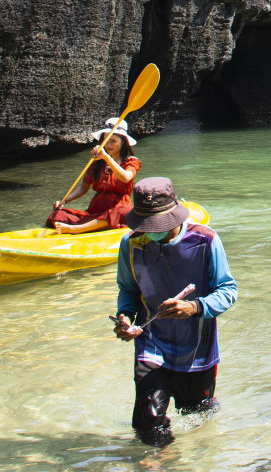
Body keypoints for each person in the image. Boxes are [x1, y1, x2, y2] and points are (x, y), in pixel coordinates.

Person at [113, 176, 238, 447]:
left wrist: (193, 307)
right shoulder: (131, 243)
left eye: (158, 225)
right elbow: (128, 291)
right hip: (151, 344)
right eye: (147, 225)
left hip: (198, 350)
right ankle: (160, 461)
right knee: (147, 423)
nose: (153, 231)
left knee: (197, 417)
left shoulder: (205, 240)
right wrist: (126, 318)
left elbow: (228, 291)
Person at [46, 123, 142, 233]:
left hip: (119, 207)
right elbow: (83, 188)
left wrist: (107, 158)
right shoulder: (96, 163)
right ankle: (94, 225)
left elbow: (126, 178)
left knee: (123, 211)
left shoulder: (131, 161)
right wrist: (64, 201)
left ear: (123, 142)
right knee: (57, 215)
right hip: (97, 207)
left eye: (113, 141)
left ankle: (76, 229)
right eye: (106, 140)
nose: (108, 145)